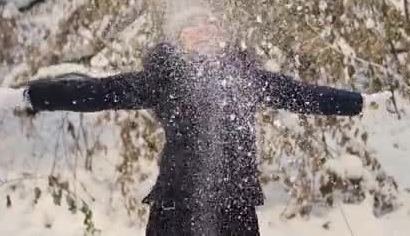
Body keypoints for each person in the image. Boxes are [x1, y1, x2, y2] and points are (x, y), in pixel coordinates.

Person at [21, 12, 387, 236]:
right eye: (192, 27)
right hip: (177, 202)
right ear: (179, 39)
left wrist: (357, 103)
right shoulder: (162, 79)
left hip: (234, 202)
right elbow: (98, 93)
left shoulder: (246, 78)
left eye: (210, 24)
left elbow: (300, 95)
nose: (203, 31)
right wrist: (32, 96)